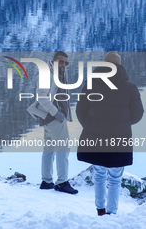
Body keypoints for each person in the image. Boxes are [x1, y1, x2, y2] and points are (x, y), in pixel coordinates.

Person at [76, 51, 144, 215]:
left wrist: (91, 126)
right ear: (120, 67)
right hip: (119, 141)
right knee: (115, 178)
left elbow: (80, 111)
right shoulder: (130, 88)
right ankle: (111, 213)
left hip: (95, 139)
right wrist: (122, 125)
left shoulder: (91, 84)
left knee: (99, 175)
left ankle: (100, 209)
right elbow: (138, 114)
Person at [29, 51, 78, 194]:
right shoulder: (47, 74)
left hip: (50, 118)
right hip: (54, 117)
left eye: (66, 62)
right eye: (60, 62)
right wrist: (57, 113)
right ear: (53, 61)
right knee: (63, 149)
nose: (63, 65)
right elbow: (42, 97)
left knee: (49, 149)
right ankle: (62, 182)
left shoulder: (60, 74)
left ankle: (46, 181)